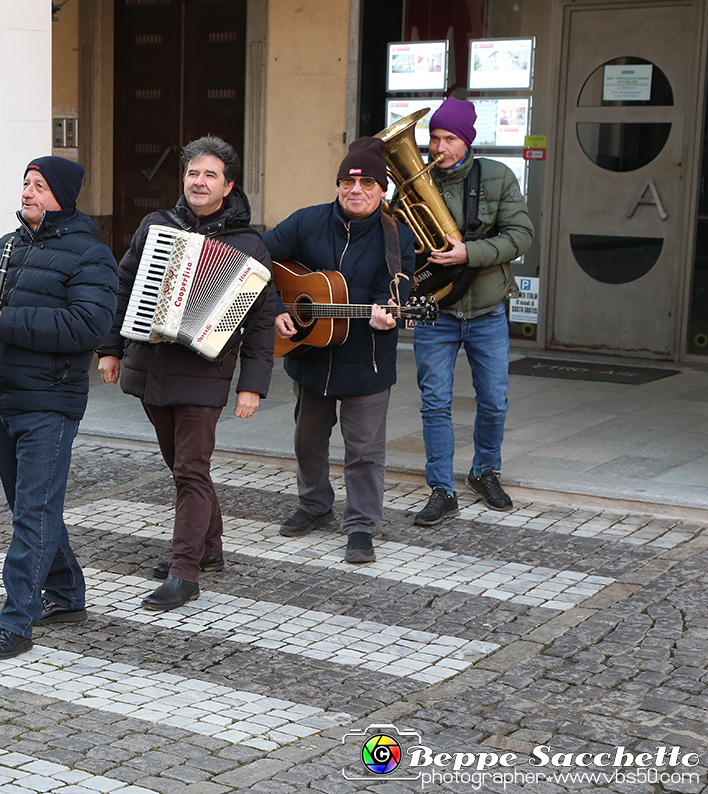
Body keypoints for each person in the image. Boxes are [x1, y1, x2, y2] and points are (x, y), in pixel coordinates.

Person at [97, 136, 274, 611]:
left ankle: (185, 571)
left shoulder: (249, 243)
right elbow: (125, 285)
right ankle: (208, 549)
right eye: (193, 172)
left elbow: (260, 321)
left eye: (210, 175)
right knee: (182, 466)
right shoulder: (157, 225)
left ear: (228, 185)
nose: (199, 181)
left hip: (205, 373)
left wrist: (253, 385)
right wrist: (110, 348)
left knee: (191, 469)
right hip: (153, 368)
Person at [0, 156, 118, 660]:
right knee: (32, 507)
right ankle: (68, 593)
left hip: (49, 403)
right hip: (2, 398)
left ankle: (16, 622)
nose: (28, 192)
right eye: (26, 183)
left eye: (41, 186)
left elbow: (88, 327)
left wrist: (12, 321)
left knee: (33, 512)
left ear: (63, 197)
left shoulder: (90, 255)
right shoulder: (5, 246)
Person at [262, 137, 416, 564]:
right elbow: (254, 256)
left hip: (366, 363)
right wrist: (276, 308)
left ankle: (361, 524)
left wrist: (389, 316)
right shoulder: (305, 223)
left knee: (365, 450)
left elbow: (396, 291)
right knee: (308, 440)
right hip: (310, 356)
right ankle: (314, 505)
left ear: (382, 190)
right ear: (337, 186)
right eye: (349, 182)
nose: (357, 190)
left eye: (369, 183)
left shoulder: (398, 237)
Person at [411, 98, 534, 527]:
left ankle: (485, 471)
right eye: (434, 138)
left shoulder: (498, 177)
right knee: (435, 402)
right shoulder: (414, 180)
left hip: (485, 311)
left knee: (494, 400)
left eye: (449, 139)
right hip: (437, 312)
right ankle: (441, 489)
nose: (438, 148)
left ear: (467, 142)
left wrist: (470, 252)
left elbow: (521, 236)